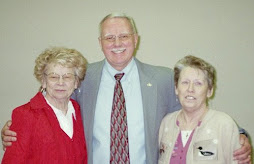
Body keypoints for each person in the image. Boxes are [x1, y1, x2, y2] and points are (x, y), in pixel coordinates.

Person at [1, 13, 252, 164]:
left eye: (124, 36)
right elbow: (52, 102)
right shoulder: (83, 77)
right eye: (109, 38)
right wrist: (16, 126)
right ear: (100, 42)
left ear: (135, 39)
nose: (117, 43)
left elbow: (194, 107)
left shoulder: (163, 78)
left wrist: (238, 134)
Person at [1, 47, 88, 164]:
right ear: (43, 81)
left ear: (76, 82)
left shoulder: (80, 111)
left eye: (67, 77)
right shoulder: (25, 115)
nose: (60, 83)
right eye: (53, 76)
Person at [158, 55, 246, 164]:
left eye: (198, 83)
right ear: (176, 88)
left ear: (210, 91)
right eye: (185, 82)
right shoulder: (167, 123)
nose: (190, 89)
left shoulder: (224, 124)